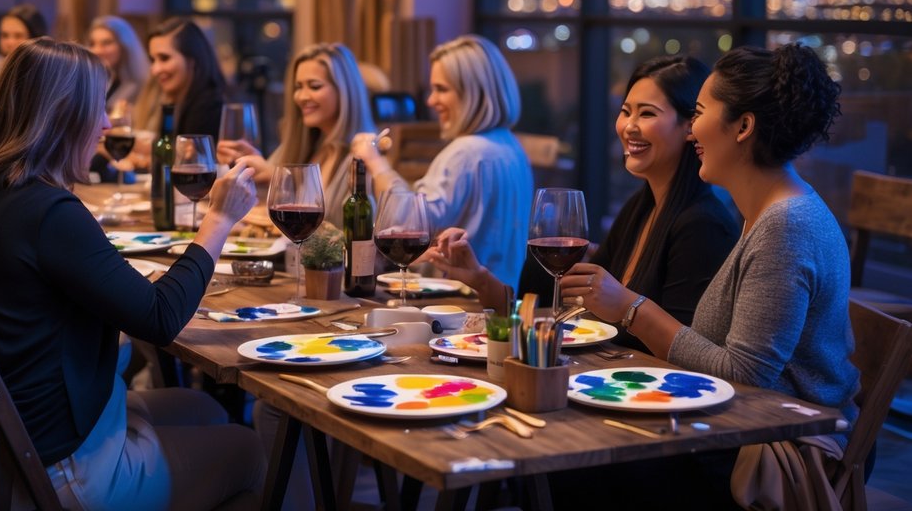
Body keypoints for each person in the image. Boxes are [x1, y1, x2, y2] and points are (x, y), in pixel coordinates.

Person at [0, 38, 265, 510]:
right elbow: (160, 316)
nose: (107, 124)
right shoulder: (48, 212)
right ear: (62, 115)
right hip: (56, 469)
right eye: (98, 109)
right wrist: (219, 219)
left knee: (207, 408)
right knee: (249, 450)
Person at [555, 43, 858, 508]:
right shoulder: (764, 213)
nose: (692, 130)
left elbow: (746, 376)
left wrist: (632, 309)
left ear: (743, 126)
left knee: (577, 467)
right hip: (738, 425)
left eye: (697, 113)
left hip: (775, 445)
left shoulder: (785, 227)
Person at [512, 56, 738, 332]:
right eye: (625, 111)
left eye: (647, 113)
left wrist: (624, 306)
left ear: (690, 127)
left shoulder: (703, 226)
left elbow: (685, 348)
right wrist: (483, 281)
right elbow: (583, 304)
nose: (628, 126)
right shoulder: (640, 207)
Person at [352, 34, 532, 284]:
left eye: (441, 89)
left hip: (455, 301)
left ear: (474, 93)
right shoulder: (511, 146)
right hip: (500, 296)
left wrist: (374, 161)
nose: (431, 100)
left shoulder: (465, 153)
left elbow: (406, 225)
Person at [218, 42, 374, 228]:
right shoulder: (300, 146)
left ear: (345, 92)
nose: (302, 96)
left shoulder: (365, 157)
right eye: (299, 87)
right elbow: (262, 208)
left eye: (314, 86)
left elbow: (353, 235)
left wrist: (273, 177)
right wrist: (260, 172)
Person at [135, 17, 225, 139]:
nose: (155, 70)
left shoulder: (210, 106)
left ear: (192, 60)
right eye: (152, 60)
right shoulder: (172, 99)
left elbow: (189, 155)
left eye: (164, 58)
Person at [86, 15, 148, 112]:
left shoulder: (142, 86)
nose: (97, 50)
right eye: (92, 44)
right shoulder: (92, 82)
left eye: (106, 43)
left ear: (125, 46)